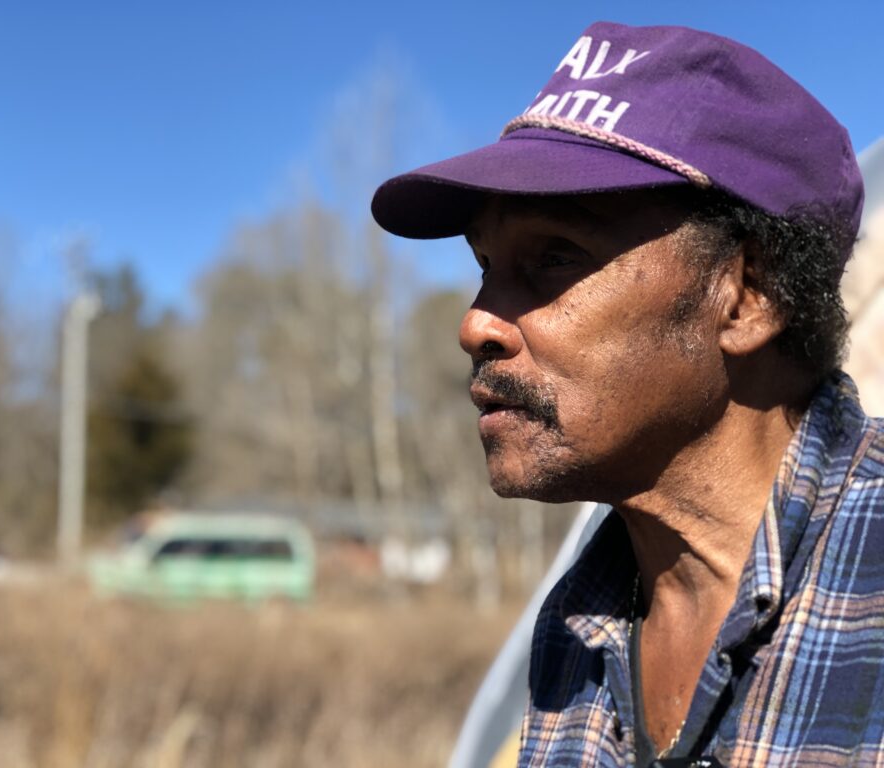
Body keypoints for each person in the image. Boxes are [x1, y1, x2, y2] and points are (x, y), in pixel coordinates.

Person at [371, 21, 881, 767]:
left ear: (748, 296)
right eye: (484, 264)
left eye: (554, 256)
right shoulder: (580, 622)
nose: (475, 323)